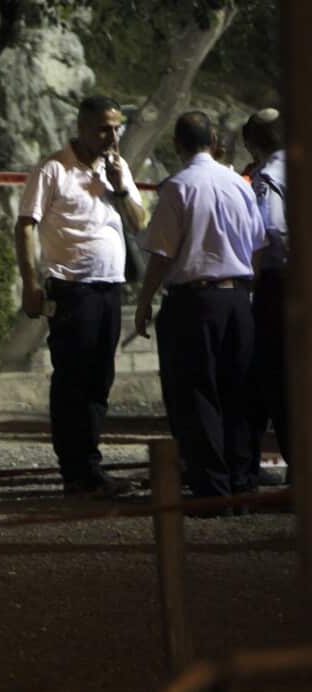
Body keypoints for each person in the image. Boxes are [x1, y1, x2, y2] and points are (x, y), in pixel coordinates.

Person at [14, 96, 148, 497]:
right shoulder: (53, 168)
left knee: (99, 378)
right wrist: (30, 283)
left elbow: (140, 223)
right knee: (73, 380)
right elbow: (25, 226)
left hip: (110, 287)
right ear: (83, 127)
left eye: (116, 128)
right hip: (73, 289)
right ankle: (77, 469)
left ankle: (89, 463)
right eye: (104, 128)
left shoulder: (117, 169)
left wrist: (121, 188)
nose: (111, 136)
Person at [133, 111, 267, 509]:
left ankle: (211, 489)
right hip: (237, 297)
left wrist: (144, 302)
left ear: (177, 144)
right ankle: (243, 484)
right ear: (212, 140)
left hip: (193, 300)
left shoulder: (177, 187)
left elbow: (161, 254)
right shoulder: (238, 184)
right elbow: (258, 246)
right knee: (238, 391)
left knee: (197, 395)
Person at [240, 109, 288, 471]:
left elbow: (267, 231)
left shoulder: (267, 176)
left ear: (251, 142)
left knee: (278, 379)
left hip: (278, 284)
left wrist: (250, 285)